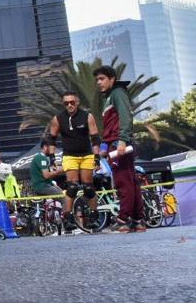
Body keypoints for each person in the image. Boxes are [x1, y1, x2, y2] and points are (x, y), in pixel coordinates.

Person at [94, 65, 145, 232]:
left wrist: (122, 140)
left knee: (123, 181)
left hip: (119, 144)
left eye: (102, 79)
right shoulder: (111, 96)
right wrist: (104, 145)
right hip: (116, 143)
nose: (98, 83)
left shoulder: (118, 93)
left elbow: (126, 116)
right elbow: (109, 125)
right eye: (97, 80)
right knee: (131, 180)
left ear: (112, 79)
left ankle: (122, 220)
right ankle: (138, 220)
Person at [48, 90, 101, 229]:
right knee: (72, 187)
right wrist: (51, 157)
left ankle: (94, 216)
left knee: (88, 187)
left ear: (77, 102)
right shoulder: (58, 118)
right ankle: (68, 218)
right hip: (69, 155)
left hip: (86, 155)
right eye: (66, 103)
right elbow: (51, 138)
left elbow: (95, 138)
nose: (69, 105)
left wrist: (97, 157)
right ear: (63, 104)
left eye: (72, 102)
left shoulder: (87, 116)